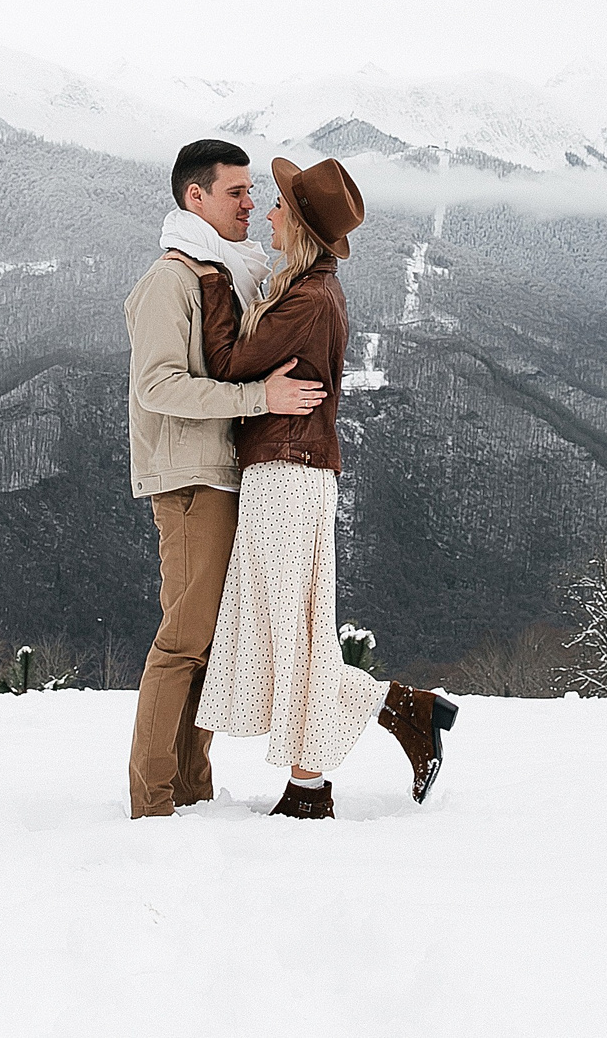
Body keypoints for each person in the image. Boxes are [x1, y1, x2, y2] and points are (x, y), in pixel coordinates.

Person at [193, 155, 456, 820]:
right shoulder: (316, 290)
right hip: (298, 472)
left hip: (284, 474)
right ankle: (352, 750)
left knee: (294, 633)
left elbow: (226, 362)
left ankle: (357, 751)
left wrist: (214, 285)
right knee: (297, 631)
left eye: (280, 206)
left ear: (302, 226)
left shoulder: (308, 297)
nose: (269, 213)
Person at [123, 139, 328, 820]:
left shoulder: (227, 272)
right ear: (196, 199)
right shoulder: (173, 280)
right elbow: (157, 386)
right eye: (237, 191)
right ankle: (153, 801)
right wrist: (257, 401)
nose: (250, 202)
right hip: (189, 478)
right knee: (184, 639)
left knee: (210, 643)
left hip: (223, 473)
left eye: (251, 192)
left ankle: (190, 788)